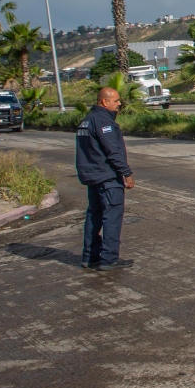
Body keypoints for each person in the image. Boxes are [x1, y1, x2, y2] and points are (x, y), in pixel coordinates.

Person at [75, 86, 134, 271]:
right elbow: (112, 150)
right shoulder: (102, 121)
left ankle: (89, 257)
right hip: (107, 177)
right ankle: (109, 258)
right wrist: (126, 173)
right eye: (116, 101)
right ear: (104, 101)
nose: (119, 104)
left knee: (94, 215)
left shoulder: (87, 120)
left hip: (93, 176)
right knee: (112, 217)